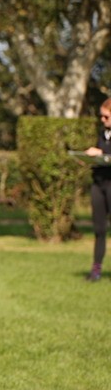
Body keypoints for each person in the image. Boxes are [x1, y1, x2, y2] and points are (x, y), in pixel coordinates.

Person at [83, 98, 111, 282]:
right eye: (101, 116)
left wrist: (103, 154)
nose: (102, 119)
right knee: (99, 229)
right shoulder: (102, 134)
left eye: (106, 116)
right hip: (99, 183)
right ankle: (96, 270)